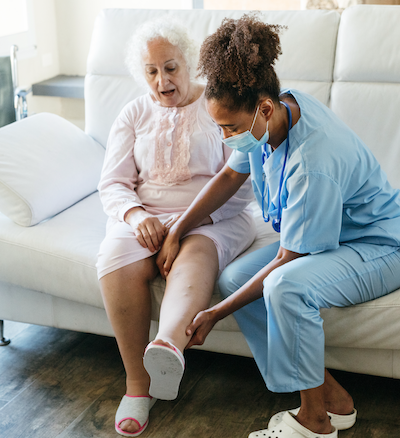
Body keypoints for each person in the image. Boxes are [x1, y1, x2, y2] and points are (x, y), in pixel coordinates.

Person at [157, 13, 400, 438]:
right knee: (235, 278)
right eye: (219, 127)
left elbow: (291, 259)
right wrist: (177, 228)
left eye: (230, 128)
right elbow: (231, 176)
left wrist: (214, 314)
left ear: (264, 109)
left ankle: (315, 422)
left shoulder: (314, 161)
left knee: (286, 286)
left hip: (379, 245)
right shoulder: (268, 116)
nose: (226, 136)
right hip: (334, 238)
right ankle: (333, 398)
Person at [96, 18, 256, 437]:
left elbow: (241, 184)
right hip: (146, 214)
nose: (162, 80)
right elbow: (112, 183)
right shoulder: (133, 112)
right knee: (115, 257)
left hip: (213, 216)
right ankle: (137, 386)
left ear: (189, 64)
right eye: (151, 71)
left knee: (196, 253)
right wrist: (135, 216)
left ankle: (167, 347)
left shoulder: (218, 107)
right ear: (141, 75)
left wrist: (182, 228)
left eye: (170, 67)